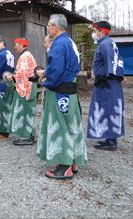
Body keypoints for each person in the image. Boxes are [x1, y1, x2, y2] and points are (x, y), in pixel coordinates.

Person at [36, 14, 87, 180]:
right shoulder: (69, 41)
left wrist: (46, 81)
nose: (48, 28)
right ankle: (72, 161)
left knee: (60, 127)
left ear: (56, 27)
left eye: (49, 25)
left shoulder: (58, 44)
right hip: (70, 89)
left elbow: (57, 69)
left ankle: (64, 167)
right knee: (70, 125)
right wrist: (47, 72)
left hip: (60, 91)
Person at [87, 21, 125, 151]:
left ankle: (111, 142)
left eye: (95, 31)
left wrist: (108, 76)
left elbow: (112, 62)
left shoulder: (105, 44)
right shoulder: (108, 42)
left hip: (107, 82)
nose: (94, 33)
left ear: (102, 32)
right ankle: (109, 138)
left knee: (108, 109)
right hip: (109, 81)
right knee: (109, 109)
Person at [4, 37, 38, 145]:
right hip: (30, 86)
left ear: (22, 45)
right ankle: (31, 135)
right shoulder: (28, 55)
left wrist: (11, 77)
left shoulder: (24, 57)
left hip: (25, 88)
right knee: (28, 111)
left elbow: (22, 73)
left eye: (16, 45)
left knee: (23, 112)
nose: (15, 47)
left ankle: (25, 137)